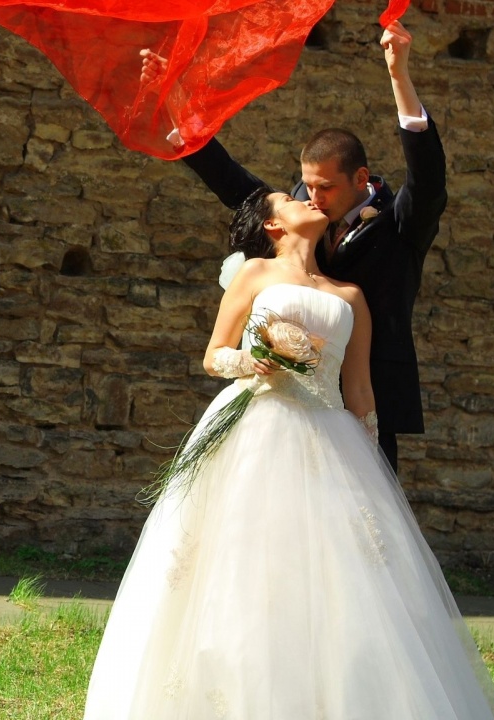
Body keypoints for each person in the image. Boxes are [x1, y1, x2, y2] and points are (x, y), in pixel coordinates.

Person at [82, 188, 494, 720]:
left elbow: (361, 390)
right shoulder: (255, 274)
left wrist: (373, 468)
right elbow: (214, 354)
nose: (306, 198)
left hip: (331, 439)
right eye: (290, 198)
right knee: (241, 558)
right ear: (273, 226)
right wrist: (249, 362)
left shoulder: (350, 295)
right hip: (254, 425)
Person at [145, 20, 445, 471]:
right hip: (286, 401)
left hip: (369, 393)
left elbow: (428, 181)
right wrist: (174, 101)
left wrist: (399, 76)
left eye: (323, 188)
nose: (312, 198)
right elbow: (230, 180)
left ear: (360, 180)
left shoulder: (401, 224)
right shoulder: (297, 213)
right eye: (304, 187)